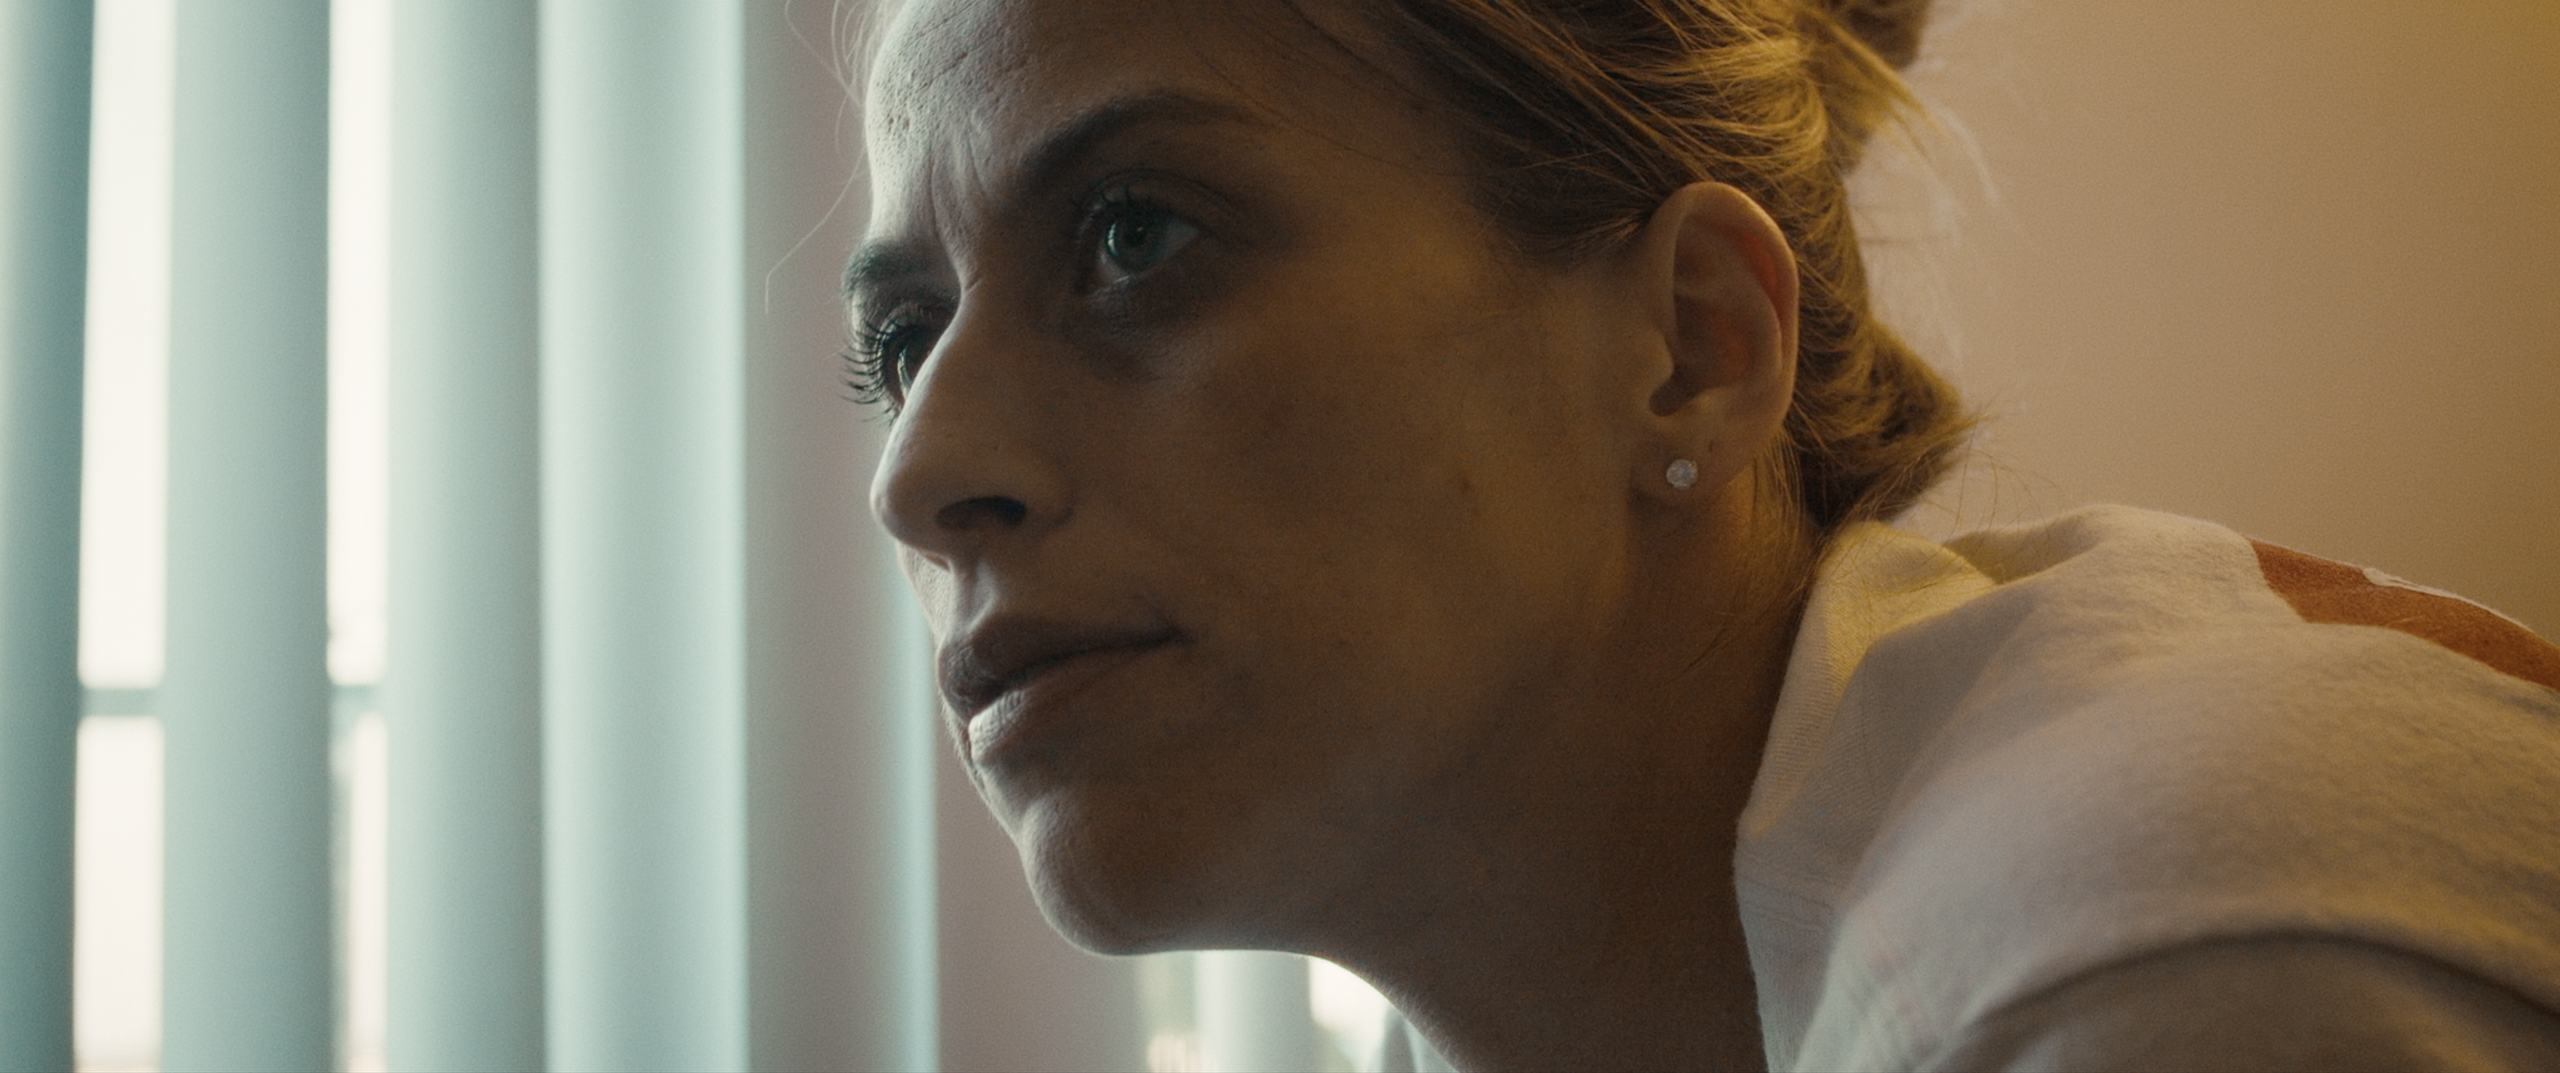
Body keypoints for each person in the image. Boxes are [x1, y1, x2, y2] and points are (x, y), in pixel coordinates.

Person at [844, 0, 2560, 1067]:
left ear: (1694, 348)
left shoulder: (2147, 963)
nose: (920, 473)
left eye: (1136, 235)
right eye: (900, 341)